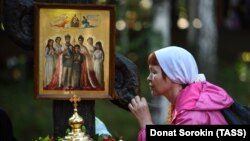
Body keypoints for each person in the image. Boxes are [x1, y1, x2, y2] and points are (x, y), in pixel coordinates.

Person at [128, 46, 234, 141]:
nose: (148, 78)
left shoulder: (192, 113)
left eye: (154, 72)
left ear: (174, 75)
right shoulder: (190, 103)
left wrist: (146, 123)